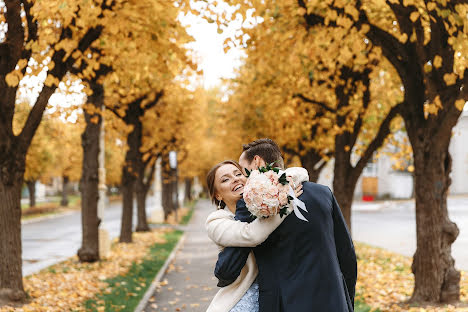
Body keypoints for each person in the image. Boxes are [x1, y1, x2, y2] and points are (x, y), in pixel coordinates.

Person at [206, 138, 357, 312]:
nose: (242, 179)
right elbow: (347, 255)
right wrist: (347, 302)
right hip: (332, 300)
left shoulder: (254, 206)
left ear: (257, 162)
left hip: (284, 303)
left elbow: (227, 271)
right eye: (227, 178)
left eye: (241, 171)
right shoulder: (322, 193)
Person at [205, 160, 307, 312]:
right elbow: (252, 235)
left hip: (279, 294)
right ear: (218, 195)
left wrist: (280, 185)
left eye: (238, 173)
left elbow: (302, 172)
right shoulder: (216, 221)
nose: (235, 179)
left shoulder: (266, 204)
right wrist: (286, 205)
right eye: (225, 179)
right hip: (241, 298)